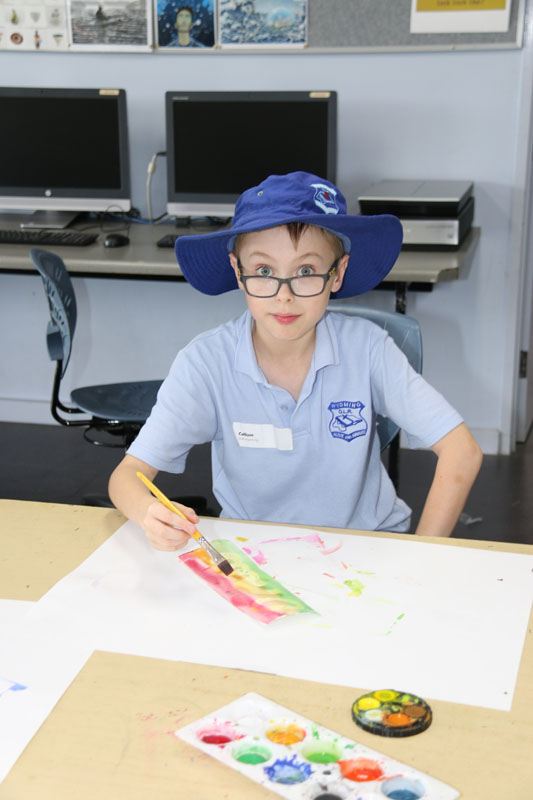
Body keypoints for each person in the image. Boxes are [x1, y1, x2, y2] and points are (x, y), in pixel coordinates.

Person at [108, 171, 482, 551]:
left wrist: (423, 556)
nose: (283, 296)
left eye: (305, 272)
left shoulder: (368, 349)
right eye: (264, 271)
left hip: (367, 547)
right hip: (256, 553)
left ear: (337, 273)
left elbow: (462, 452)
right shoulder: (206, 363)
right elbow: (127, 475)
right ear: (238, 271)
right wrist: (148, 512)